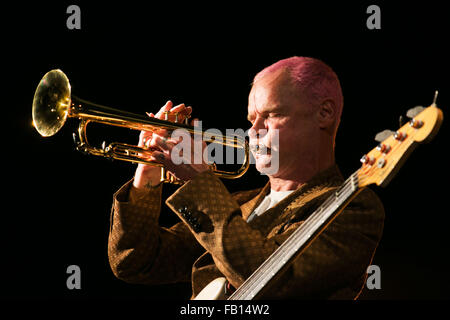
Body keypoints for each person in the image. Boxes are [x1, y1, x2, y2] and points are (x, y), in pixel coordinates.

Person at [107, 56, 385, 299]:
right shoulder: (241, 205)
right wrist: (148, 171)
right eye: (251, 118)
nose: (253, 131)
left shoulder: (353, 207)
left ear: (324, 113)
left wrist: (199, 184)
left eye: (271, 114)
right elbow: (135, 261)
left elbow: (270, 278)